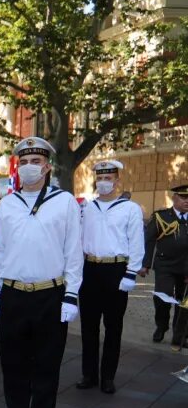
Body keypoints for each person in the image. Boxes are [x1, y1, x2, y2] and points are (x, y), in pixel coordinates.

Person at [0, 137, 82, 408]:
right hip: (12, 296)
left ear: (47, 166)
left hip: (50, 296)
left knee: (46, 370)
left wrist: (71, 295)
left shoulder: (64, 201)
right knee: (12, 367)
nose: (29, 167)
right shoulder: (7, 204)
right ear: (17, 166)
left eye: (36, 161)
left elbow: (73, 251)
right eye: (24, 161)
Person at [77, 160, 144, 393]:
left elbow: (136, 243)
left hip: (116, 271)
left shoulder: (130, 209)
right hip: (90, 269)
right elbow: (77, 242)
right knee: (88, 326)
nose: (104, 183)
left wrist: (131, 273)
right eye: (100, 178)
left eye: (109, 178)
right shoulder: (86, 208)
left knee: (113, 326)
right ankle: (89, 374)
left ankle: (108, 377)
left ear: (117, 181)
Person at [143, 184, 188, 345]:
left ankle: (180, 333)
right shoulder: (161, 216)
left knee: (184, 303)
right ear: (174, 198)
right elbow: (149, 240)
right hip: (165, 265)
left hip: (186, 268)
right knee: (162, 298)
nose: (187, 201)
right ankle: (161, 326)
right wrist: (145, 263)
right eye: (183, 197)